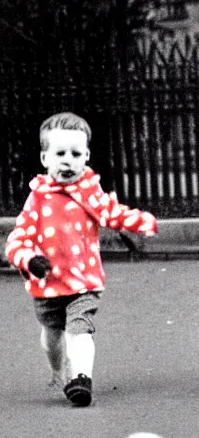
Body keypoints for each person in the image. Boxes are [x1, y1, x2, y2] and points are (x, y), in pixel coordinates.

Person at [5, 112, 157, 407]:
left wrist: (141, 221)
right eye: (60, 153)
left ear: (86, 156)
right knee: (52, 335)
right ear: (45, 158)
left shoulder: (90, 193)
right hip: (48, 284)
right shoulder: (37, 199)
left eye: (76, 153)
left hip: (83, 281)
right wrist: (29, 259)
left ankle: (82, 379)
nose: (68, 160)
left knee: (79, 328)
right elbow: (17, 239)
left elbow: (113, 213)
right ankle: (56, 369)